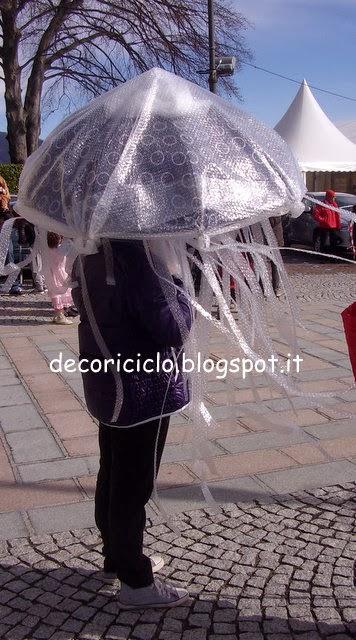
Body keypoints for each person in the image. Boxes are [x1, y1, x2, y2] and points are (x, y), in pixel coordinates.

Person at [71, 240, 192, 609]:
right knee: (133, 483)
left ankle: (117, 555)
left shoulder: (91, 254)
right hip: (143, 389)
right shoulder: (137, 257)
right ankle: (136, 581)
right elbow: (171, 326)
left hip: (110, 383)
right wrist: (184, 290)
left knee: (113, 471)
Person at [46, 232, 74, 325]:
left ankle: (58, 314)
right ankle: (60, 316)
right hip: (60, 273)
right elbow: (69, 244)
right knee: (59, 294)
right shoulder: (60, 250)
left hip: (51, 273)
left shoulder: (48, 249)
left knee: (55, 294)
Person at [269, 215, 284, 297]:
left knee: (267, 263)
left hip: (271, 240)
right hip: (275, 240)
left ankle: (266, 287)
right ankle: (275, 288)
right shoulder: (277, 211)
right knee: (274, 264)